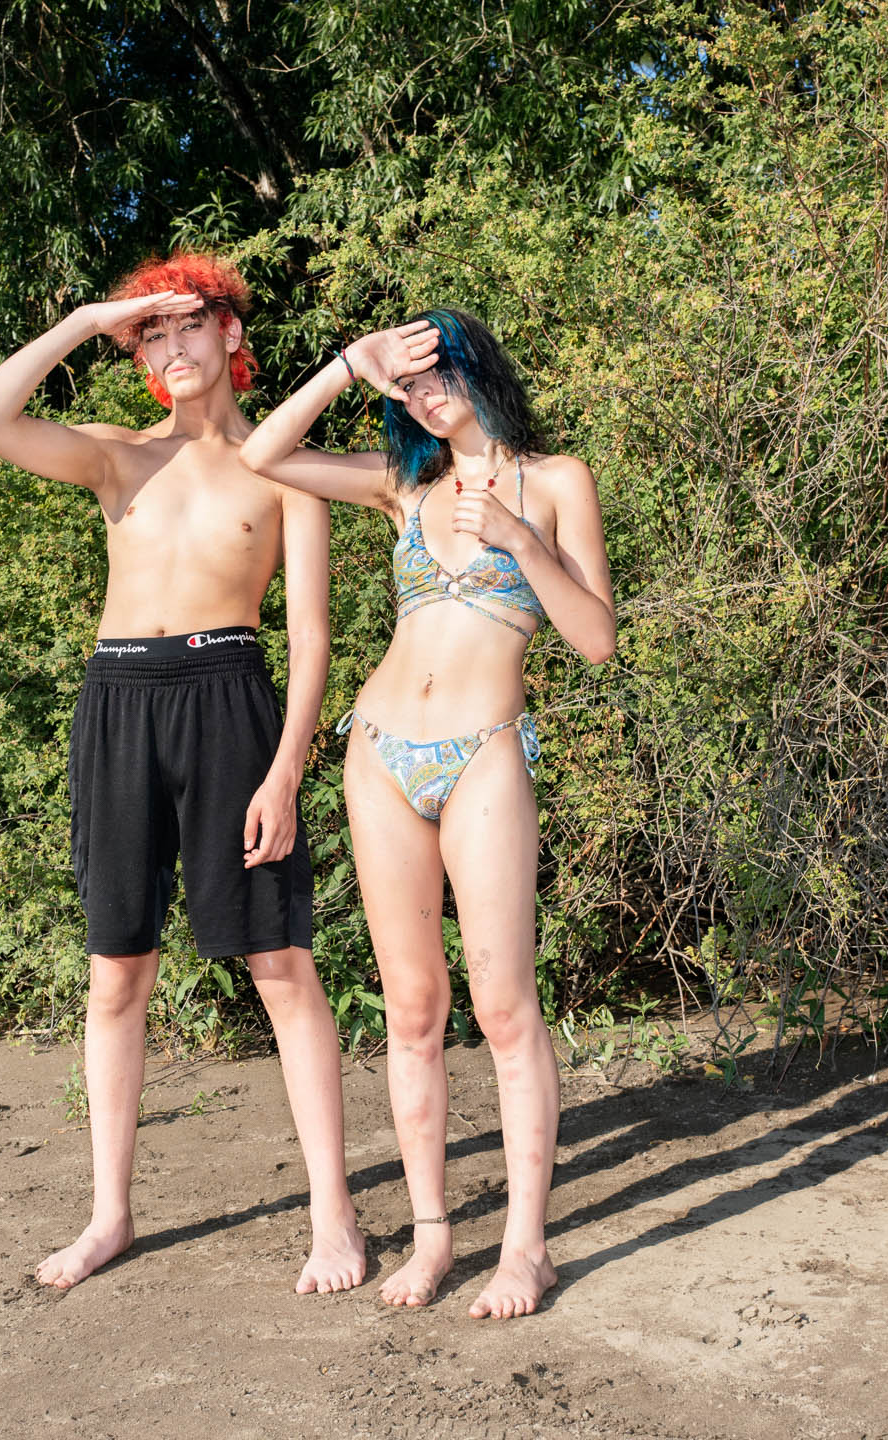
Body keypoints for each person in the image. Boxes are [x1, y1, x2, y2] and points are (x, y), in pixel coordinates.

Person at [0, 251, 366, 1295]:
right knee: (116, 972)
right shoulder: (114, 458)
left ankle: (334, 1219)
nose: (172, 348)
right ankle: (110, 1216)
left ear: (232, 336)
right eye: (153, 335)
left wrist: (284, 773)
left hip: (230, 699)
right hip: (119, 703)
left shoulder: (287, 467)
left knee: (279, 964)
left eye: (191, 326)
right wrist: (93, 316)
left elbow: (310, 639)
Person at [240, 309, 615, 1318]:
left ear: (474, 364)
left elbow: (594, 641)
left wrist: (521, 542)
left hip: (487, 750)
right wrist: (344, 368)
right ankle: (436, 1237)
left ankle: (525, 1249)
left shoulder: (558, 480)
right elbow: (264, 451)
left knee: (502, 1006)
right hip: (380, 751)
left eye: (435, 368)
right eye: (406, 382)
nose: (423, 392)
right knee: (412, 1009)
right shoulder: (403, 483)